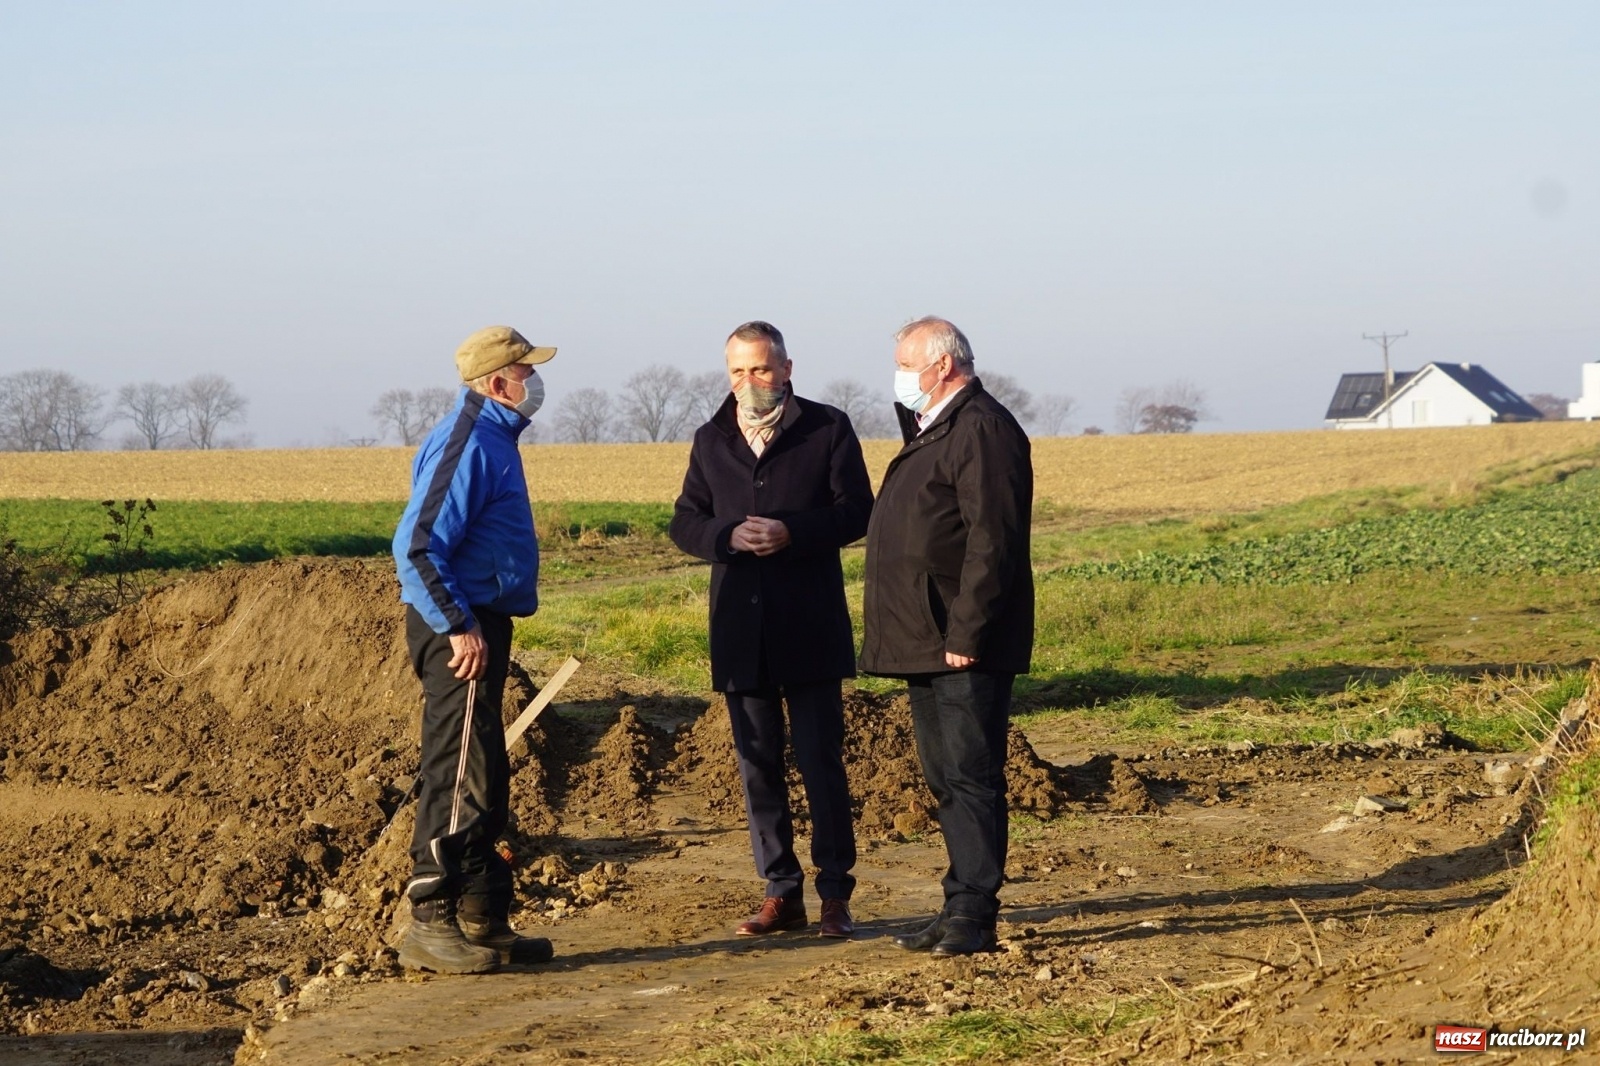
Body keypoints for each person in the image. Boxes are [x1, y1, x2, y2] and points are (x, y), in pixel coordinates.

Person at [670, 320, 874, 939]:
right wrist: (723, 537)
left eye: (759, 369)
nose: (747, 382)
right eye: (736, 371)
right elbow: (685, 521)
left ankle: (835, 893)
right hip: (740, 630)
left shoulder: (827, 427)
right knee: (756, 764)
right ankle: (780, 891)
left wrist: (794, 531)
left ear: (786, 368)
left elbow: (858, 511)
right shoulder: (711, 439)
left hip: (809, 625)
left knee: (820, 763)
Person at [859, 315, 1034, 958]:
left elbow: (994, 541)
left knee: (972, 773)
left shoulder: (982, 428)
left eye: (907, 363)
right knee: (945, 774)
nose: (900, 375)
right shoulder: (934, 426)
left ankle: (975, 913)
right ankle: (957, 900)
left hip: (962, 640)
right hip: (923, 636)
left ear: (942, 365)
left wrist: (968, 629)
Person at [391, 324, 558, 974]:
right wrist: (459, 624)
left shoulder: (493, 437)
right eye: (528, 371)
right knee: (457, 770)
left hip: (480, 618)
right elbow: (417, 546)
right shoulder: (469, 443)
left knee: (485, 767)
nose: (537, 382)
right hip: (456, 628)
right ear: (498, 383)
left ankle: (483, 916)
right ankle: (430, 919)